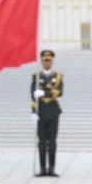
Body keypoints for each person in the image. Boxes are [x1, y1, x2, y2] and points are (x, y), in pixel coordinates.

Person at [30, 49, 63, 177]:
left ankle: (52, 168)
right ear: (42, 62)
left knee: (52, 142)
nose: (47, 63)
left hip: (53, 112)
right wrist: (33, 112)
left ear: (52, 62)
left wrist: (45, 93)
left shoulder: (58, 76)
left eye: (49, 61)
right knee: (42, 142)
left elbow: (59, 92)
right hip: (41, 112)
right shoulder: (36, 77)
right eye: (45, 61)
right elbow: (33, 96)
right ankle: (43, 168)